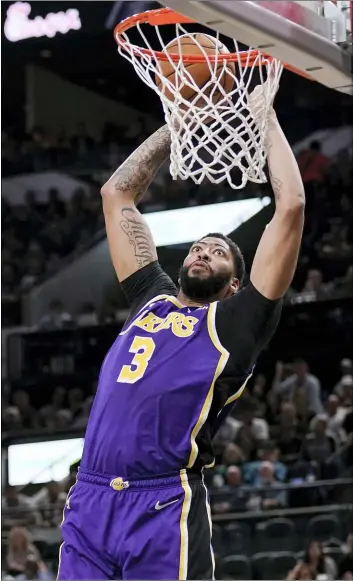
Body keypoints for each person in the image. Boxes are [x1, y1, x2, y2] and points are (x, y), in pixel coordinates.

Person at [57, 84, 305, 580]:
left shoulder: (236, 323)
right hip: (90, 498)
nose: (201, 251)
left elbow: (292, 205)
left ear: (235, 282)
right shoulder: (152, 297)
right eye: (198, 246)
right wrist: (179, 121)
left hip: (162, 503)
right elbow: (116, 194)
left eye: (217, 251)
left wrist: (262, 114)